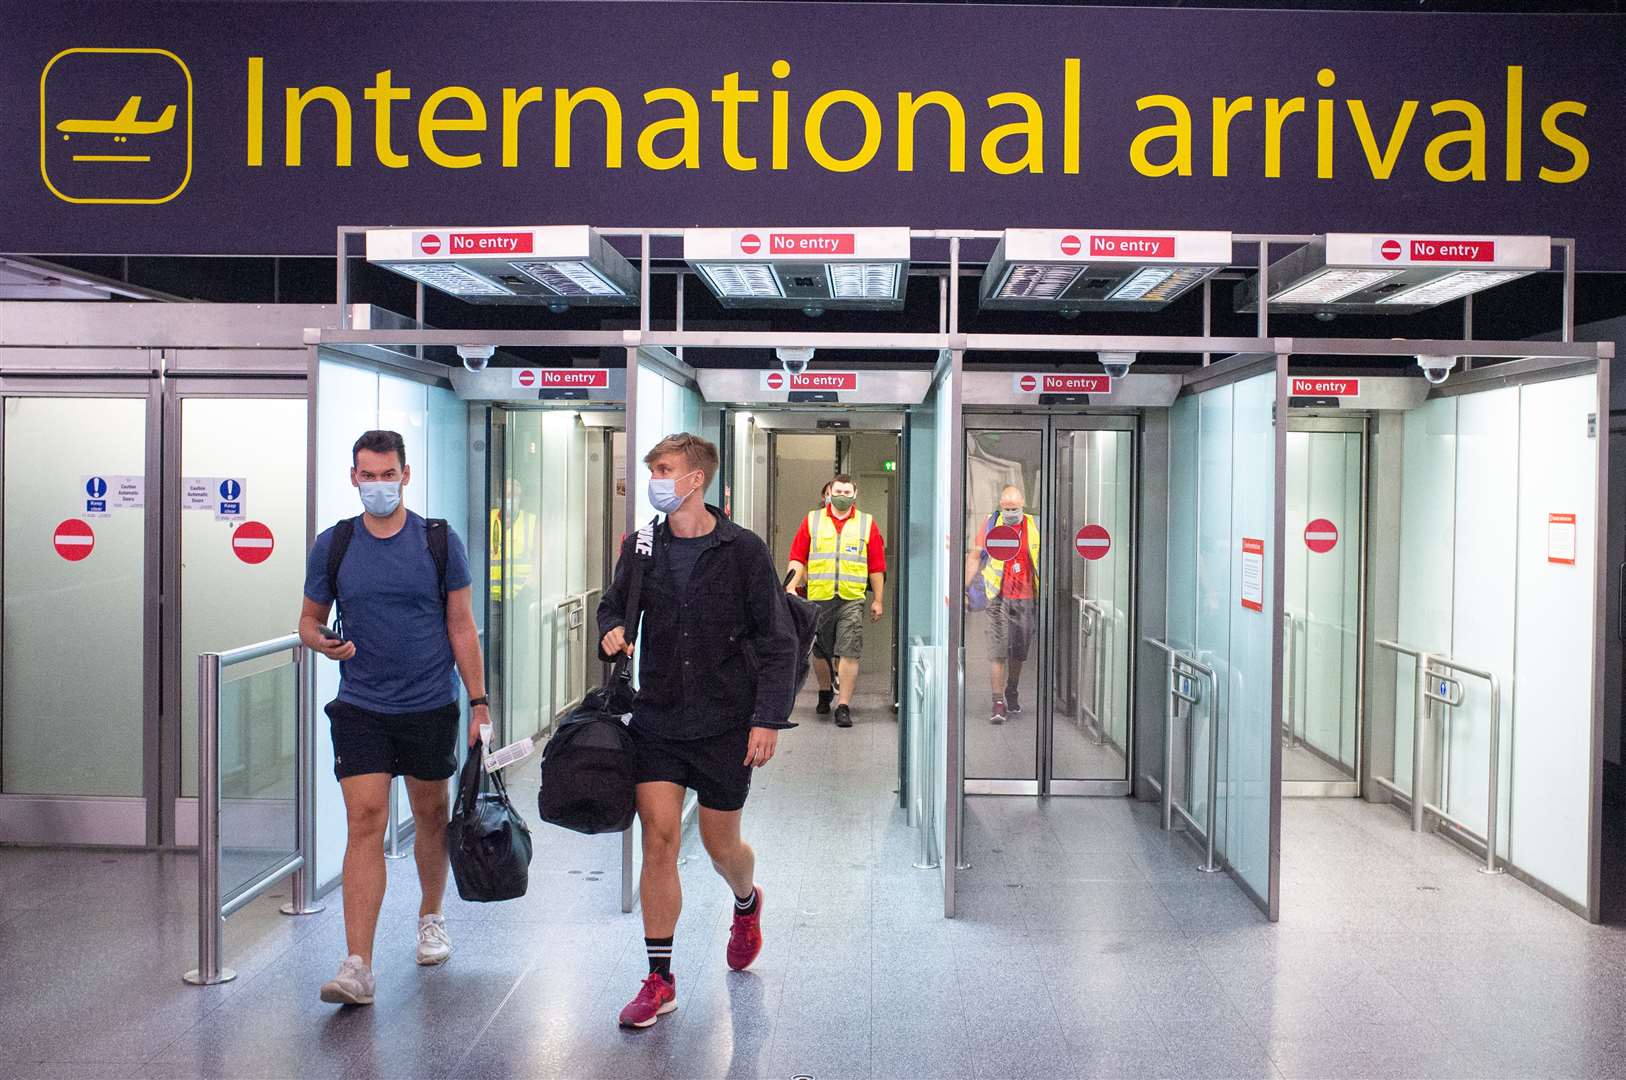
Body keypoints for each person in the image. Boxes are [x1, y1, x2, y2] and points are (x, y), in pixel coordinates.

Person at [597, 432, 796, 1030]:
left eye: (664, 468)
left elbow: (777, 641)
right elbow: (613, 607)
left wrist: (766, 719)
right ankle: (659, 978)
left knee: (720, 847)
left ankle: (746, 899)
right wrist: (610, 631)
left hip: (724, 722)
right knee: (658, 840)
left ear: (696, 479)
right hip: (656, 717)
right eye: (652, 468)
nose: (655, 477)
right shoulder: (642, 546)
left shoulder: (742, 550)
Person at [299, 430, 485, 1007]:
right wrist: (322, 643)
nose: (377, 485)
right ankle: (358, 963)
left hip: (429, 702)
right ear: (353, 477)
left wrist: (479, 704)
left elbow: (461, 624)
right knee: (365, 821)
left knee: (430, 815)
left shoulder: (437, 541)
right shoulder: (334, 545)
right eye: (367, 475)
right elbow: (308, 621)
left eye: (388, 475)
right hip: (361, 706)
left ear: (405, 476)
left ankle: (431, 915)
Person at [784, 474, 885, 728]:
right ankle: (823, 690)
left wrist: (878, 600)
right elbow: (798, 556)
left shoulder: (866, 524)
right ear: (829, 492)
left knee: (849, 650)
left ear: (854, 494)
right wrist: (791, 584)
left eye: (846, 492)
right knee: (820, 650)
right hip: (820, 595)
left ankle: (843, 705)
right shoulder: (812, 520)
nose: (842, 496)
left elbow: (876, 566)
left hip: (852, 597)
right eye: (837, 491)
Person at [965, 485, 1039, 725]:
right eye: (1006, 509)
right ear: (1000, 506)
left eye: (1014, 509)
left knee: (1019, 651)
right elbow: (974, 557)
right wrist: (963, 587)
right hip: (996, 597)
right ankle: (997, 701)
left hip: (1025, 597)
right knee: (997, 651)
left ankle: (1012, 689)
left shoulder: (1033, 526)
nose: (1010, 513)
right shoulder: (990, 524)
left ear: (1023, 505)